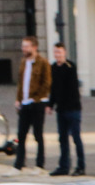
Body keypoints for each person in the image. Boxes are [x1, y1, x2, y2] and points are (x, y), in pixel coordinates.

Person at [13, 35, 51, 172]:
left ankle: (39, 165)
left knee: (38, 134)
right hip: (24, 102)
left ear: (34, 47)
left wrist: (36, 98)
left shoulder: (42, 62)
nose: (24, 49)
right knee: (21, 134)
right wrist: (18, 99)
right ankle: (19, 164)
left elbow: (46, 83)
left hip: (37, 102)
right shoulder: (24, 62)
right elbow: (21, 82)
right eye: (23, 46)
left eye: (26, 46)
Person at [47, 42, 85, 176]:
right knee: (62, 139)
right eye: (55, 52)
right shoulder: (53, 68)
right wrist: (50, 105)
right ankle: (64, 166)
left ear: (65, 53)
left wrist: (62, 102)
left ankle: (81, 166)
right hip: (61, 110)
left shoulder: (70, 67)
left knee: (76, 138)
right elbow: (53, 89)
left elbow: (70, 89)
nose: (57, 55)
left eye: (60, 52)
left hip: (72, 109)